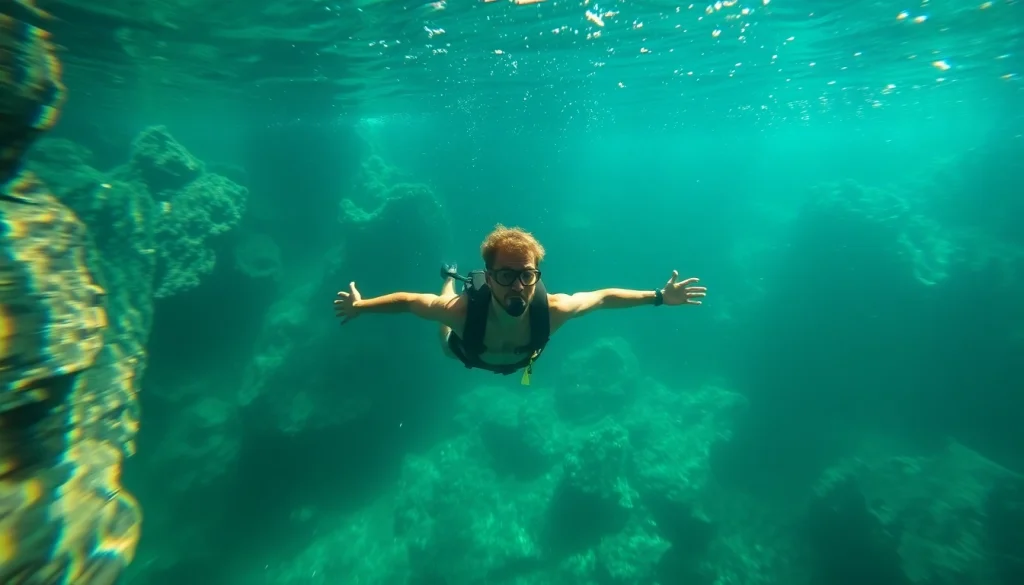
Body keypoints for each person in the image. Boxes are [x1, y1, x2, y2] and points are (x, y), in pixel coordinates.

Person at [333, 224, 706, 384]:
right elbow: (412, 302)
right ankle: (449, 277)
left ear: (537, 275)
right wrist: (361, 306)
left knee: (443, 309)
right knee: (441, 311)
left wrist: (659, 297)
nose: (517, 285)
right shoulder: (463, 312)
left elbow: (603, 297)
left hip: (516, 363)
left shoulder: (554, 310)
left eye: (526, 275)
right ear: (489, 276)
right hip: (464, 352)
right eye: (506, 276)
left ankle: (450, 279)